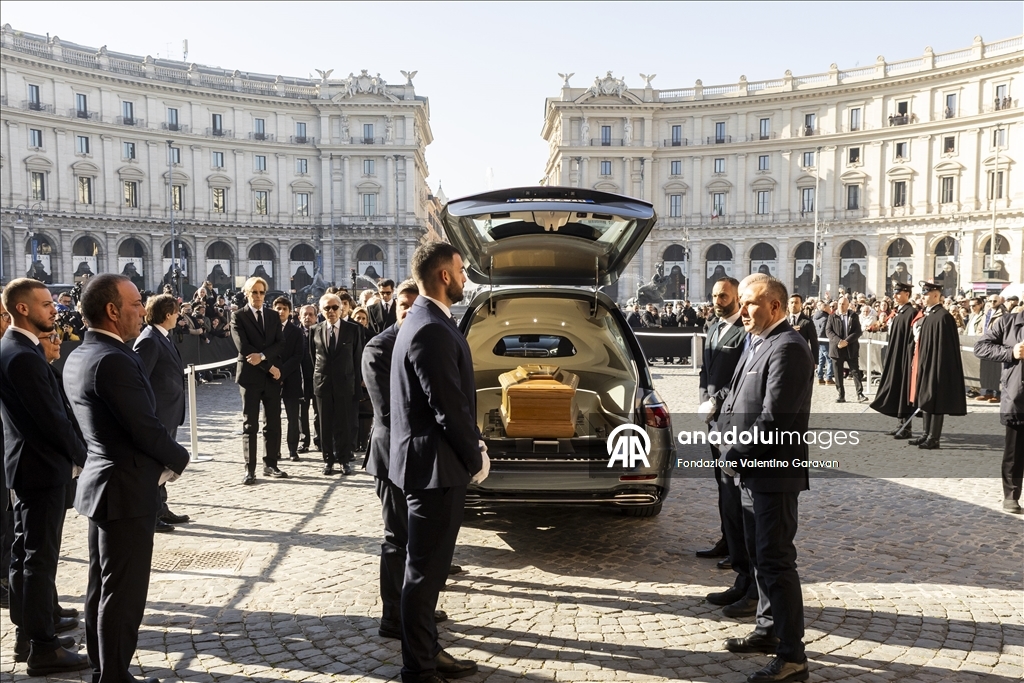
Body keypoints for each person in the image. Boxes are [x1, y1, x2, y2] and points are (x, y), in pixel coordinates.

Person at [63, 274, 190, 683]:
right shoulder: (112, 359)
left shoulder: (86, 352)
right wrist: (179, 458)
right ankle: (114, 675)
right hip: (126, 488)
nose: (143, 308)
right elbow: (145, 428)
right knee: (124, 592)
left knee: (102, 585)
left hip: (105, 485)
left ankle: (107, 668)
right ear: (113, 311)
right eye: (136, 303)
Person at [704, 274, 813, 683]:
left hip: (772, 475)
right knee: (760, 558)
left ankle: (792, 656)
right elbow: (736, 399)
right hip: (749, 474)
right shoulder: (758, 342)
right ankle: (768, 631)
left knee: (776, 562)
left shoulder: (787, 347)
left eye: (751, 303)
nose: (743, 310)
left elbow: (773, 420)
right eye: (743, 303)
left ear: (775, 307)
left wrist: (732, 453)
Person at [390, 243, 488, 682]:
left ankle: (428, 651)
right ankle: (419, 668)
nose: (465, 277)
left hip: (431, 466)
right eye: (461, 270)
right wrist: (477, 455)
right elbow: (446, 404)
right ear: (444, 276)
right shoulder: (429, 327)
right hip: (434, 470)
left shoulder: (424, 321)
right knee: (423, 575)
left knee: (427, 573)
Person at [0, 278, 89, 676]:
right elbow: (51, 419)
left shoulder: (17, 348)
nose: (55, 310)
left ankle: (28, 635)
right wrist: (83, 456)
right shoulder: (21, 355)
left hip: (27, 467)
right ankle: (43, 648)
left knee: (24, 556)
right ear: (23, 309)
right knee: (38, 558)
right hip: (40, 467)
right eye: (46, 304)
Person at [362, 278, 452, 639]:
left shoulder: (429, 341)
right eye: (402, 304)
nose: (408, 310)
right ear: (394, 307)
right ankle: (393, 617)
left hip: (420, 454)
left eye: (415, 305)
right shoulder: (378, 348)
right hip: (391, 457)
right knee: (396, 539)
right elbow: (387, 413)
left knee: (420, 541)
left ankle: (415, 608)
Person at [697, 277, 755, 617]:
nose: (718, 300)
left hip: (732, 420)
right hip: (713, 418)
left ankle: (741, 562)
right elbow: (706, 369)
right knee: (723, 488)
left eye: (724, 296)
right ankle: (728, 543)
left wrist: (717, 403)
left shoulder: (743, 333)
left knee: (735, 492)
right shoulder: (713, 326)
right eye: (715, 295)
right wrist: (704, 399)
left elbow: (737, 381)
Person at [133, 294, 191, 533]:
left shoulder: (162, 336)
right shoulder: (149, 339)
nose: (179, 316)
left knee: (163, 463)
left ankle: (161, 507)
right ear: (168, 314)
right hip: (158, 413)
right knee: (154, 465)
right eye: (177, 312)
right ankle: (151, 513)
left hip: (169, 411)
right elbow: (140, 378)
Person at [230, 276, 287, 485]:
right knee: (250, 424)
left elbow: (279, 344)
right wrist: (268, 365)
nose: (258, 296)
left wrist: (265, 359)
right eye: (254, 292)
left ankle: (271, 463)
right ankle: (250, 468)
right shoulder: (238, 316)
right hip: (250, 378)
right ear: (247, 294)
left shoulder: (273, 316)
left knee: (272, 422)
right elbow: (244, 348)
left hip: (271, 378)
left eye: (262, 292)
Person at [974, 307, 1024, 513]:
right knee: (1014, 452)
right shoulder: (1008, 322)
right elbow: (980, 347)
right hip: (1018, 397)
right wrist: (1010, 352)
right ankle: (1011, 496)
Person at [908, 281, 967, 449]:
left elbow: (945, 347)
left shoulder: (943, 317)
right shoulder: (929, 316)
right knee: (925, 399)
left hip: (937, 366)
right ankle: (926, 434)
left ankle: (934, 438)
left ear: (935, 295)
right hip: (925, 365)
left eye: (926, 294)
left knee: (936, 401)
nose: (923, 297)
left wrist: (938, 367)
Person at [311, 292, 363, 475]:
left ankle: (343, 459)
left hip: (345, 384)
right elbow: (313, 358)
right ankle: (328, 460)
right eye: (327, 308)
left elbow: (357, 359)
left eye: (335, 307)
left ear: (341, 309)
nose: (331, 311)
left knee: (344, 423)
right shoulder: (315, 330)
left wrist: (356, 384)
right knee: (324, 425)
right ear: (321, 310)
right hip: (323, 384)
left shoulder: (352, 329)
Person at [870, 282, 919, 439]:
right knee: (898, 389)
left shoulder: (911, 312)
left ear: (907, 294)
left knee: (904, 391)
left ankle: (906, 427)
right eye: (894, 293)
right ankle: (900, 424)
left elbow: (914, 338)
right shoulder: (899, 312)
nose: (895, 296)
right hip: (896, 356)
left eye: (898, 293)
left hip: (905, 358)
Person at [273, 297, 306, 462]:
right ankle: (275, 450)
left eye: (284, 308)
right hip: (271, 377)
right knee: (273, 417)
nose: (281, 311)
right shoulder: (268, 329)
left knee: (293, 417)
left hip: (291, 377)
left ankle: (293, 449)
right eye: (278, 308)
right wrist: (273, 371)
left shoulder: (296, 331)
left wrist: (282, 372)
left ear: (290, 311)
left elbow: (298, 355)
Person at [826, 296, 866, 403]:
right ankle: (841, 394)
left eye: (843, 304)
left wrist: (846, 341)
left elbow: (858, 331)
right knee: (838, 373)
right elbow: (828, 331)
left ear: (848, 305)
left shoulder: (854, 316)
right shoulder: (832, 316)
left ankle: (860, 394)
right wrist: (839, 341)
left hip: (851, 348)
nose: (841, 306)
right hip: (837, 348)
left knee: (855, 371)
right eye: (839, 303)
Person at [297, 305, 319, 453]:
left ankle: (320, 440)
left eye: (311, 315)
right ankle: (304, 441)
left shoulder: (321, 332)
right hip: (301, 378)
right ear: (299, 317)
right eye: (305, 315)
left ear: (316, 317)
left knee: (320, 411)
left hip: (317, 378)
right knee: (301, 412)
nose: (308, 317)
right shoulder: (295, 333)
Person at [812, 301, 834, 386]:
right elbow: (823, 330)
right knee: (830, 359)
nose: (830, 309)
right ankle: (829, 378)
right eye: (829, 308)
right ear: (824, 308)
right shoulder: (825, 318)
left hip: (819, 340)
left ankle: (820, 378)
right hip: (824, 340)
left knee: (821, 360)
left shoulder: (815, 317)